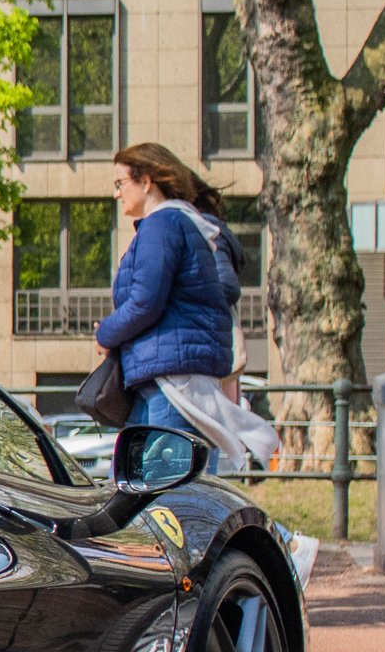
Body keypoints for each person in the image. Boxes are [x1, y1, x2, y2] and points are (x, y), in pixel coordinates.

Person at [94, 142, 275, 473]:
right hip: (167, 381)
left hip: (170, 385)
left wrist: (106, 333)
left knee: (162, 500)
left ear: (146, 181)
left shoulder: (161, 225)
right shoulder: (180, 224)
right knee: (143, 491)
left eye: (120, 184)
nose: (117, 194)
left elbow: (145, 301)